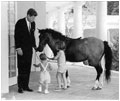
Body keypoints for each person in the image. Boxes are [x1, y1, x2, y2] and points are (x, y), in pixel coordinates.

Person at [14, 8, 38, 93]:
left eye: (34, 18)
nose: (33, 19)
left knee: (28, 67)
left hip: (29, 49)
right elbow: (16, 36)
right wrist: (18, 48)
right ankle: (20, 87)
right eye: (32, 17)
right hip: (21, 49)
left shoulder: (33, 24)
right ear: (28, 15)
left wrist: (35, 46)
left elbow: (32, 36)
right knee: (21, 68)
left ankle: (26, 86)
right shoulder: (19, 23)